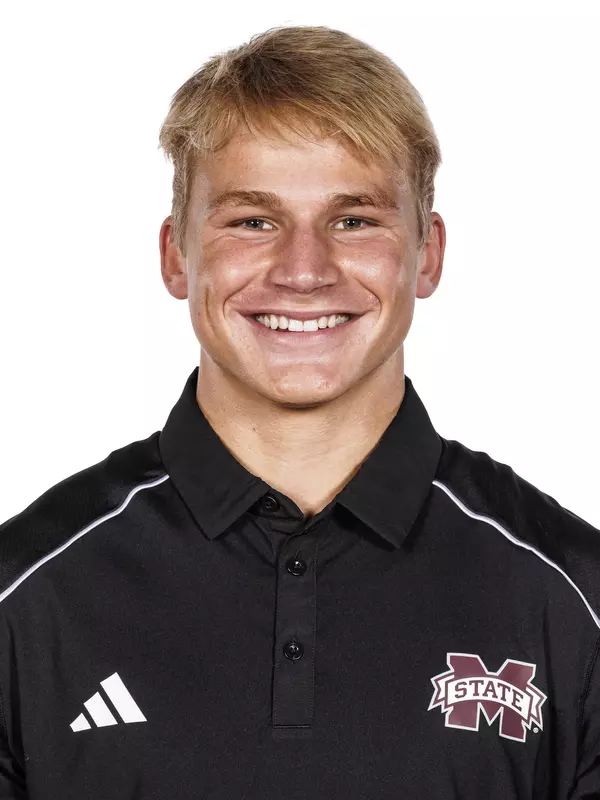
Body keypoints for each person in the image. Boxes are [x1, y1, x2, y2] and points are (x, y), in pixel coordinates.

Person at [0, 23, 599, 800]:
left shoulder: (572, 597)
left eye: (355, 220)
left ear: (429, 252)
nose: (304, 270)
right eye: (253, 220)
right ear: (176, 254)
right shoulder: (28, 598)